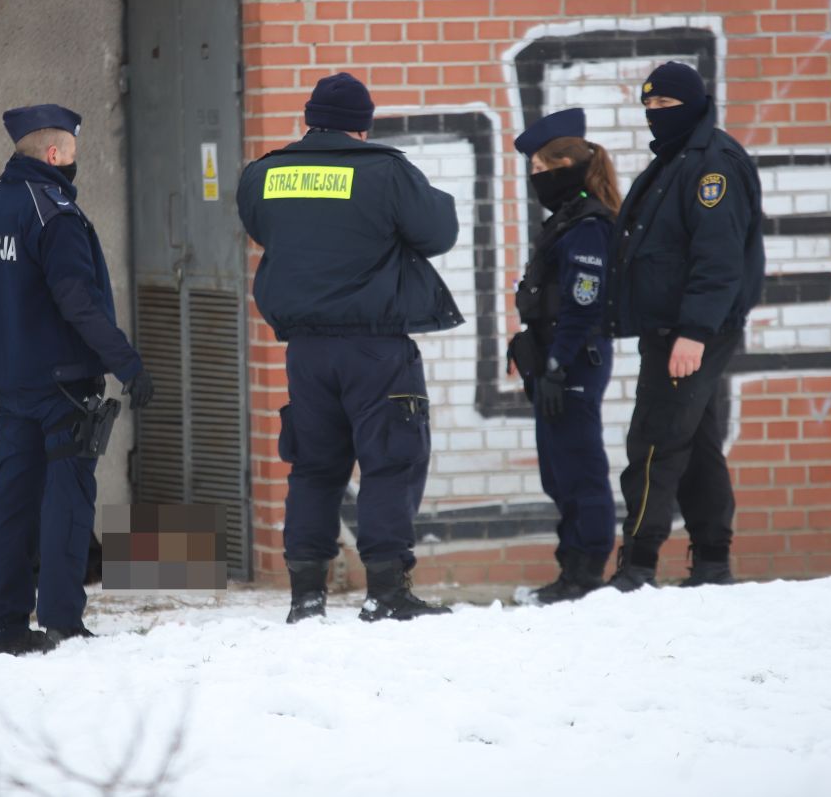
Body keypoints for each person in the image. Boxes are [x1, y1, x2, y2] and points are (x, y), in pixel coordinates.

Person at [237, 73, 464, 623]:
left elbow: (261, 229)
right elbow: (438, 233)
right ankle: (387, 593)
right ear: (362, 127)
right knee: (390, 463)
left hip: (306, 352)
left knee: (313, 468)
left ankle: (306, 597)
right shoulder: (385, 172)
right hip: (375, 349)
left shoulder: (264, 174)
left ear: (310, 119)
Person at [0, 103, 155, 655]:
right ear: (54, 153)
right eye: (72, 150)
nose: (74, 161)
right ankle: (64, 619)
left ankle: (6, 628)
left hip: (12, 389)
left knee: (11, 506)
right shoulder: (54, 214)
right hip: (65, 387)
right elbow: (80, 304)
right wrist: (127, 364)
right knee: (67, 502)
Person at [604, 62, 764, 591]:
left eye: (665, 107)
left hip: (690, 330)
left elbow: (718, 259)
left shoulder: (710, 165)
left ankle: (638, 566)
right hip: (674, 326)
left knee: (654, 440)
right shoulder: (678, 160)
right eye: (648, 108)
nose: (655, 117)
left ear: (693, 105)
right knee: (695, 442)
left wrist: (692, 332)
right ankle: (713, 563)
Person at [508, 108, 620, 603]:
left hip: (575, 358)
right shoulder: (567, 220)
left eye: (540, 170)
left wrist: (558, 362)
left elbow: (583, 301)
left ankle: (586, 574)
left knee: (579, 469)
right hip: (557, 358)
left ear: (567, 166)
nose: (536, 180)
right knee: (558, 472)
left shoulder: (588, 225)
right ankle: (569, 571)